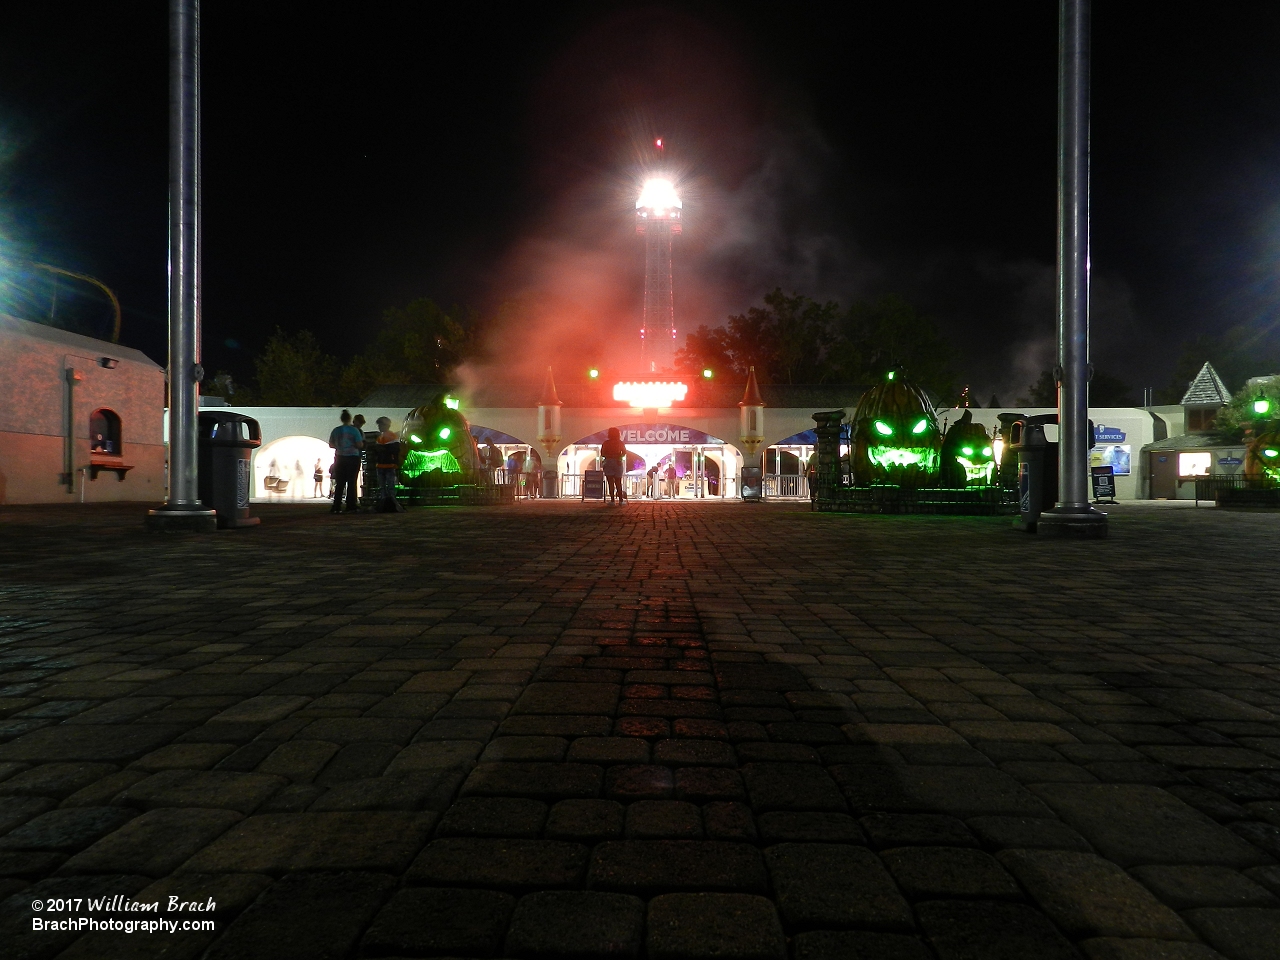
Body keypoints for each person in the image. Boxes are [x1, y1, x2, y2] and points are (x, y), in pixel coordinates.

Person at [328, 410, 363, 513]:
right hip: (353, 457)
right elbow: (359, 444)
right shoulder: (354, 430)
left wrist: (340, 446)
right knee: (352, 482)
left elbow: (331, 444)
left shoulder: (336, 430)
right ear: (350, 419)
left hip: (339, 457)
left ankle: (336, 505)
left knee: (340, 482)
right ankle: (350, 505)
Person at [373, 416, 403, 511]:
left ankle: (387, 504)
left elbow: (393, 450)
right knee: (388, 487)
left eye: (380, 424)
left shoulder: (386, 437)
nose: (379, 427)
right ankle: (390, 505)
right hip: (386, 464)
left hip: (385, 465)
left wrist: (380, 449)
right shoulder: (387, 437)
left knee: (386, 487)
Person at [600, 427, 627, 504]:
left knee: (610, 482)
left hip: (608, 462)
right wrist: (619, 457)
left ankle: (612, 500)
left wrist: (609, 456)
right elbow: (624, 452)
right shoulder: (620, 443)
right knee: (618, 482)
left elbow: (602, 453)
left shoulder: (606, 443)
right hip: (618, 462)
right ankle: (621, 500)